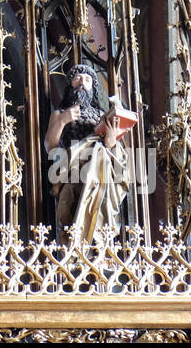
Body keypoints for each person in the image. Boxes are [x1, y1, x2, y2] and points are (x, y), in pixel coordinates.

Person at [43, 63, 130, 242]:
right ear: (70, 85)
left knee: (102, 166)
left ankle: (100, 243)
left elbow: (114, 148)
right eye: (78, 78)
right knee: (72, 206)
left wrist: (111, 141)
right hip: (72, 166)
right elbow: (50, 146)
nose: (82, 81)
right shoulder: (60, 113)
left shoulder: (101, 115)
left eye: (88, 79)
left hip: (100, 168)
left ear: (93, 88)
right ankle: (77, 244)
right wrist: (62, 121)